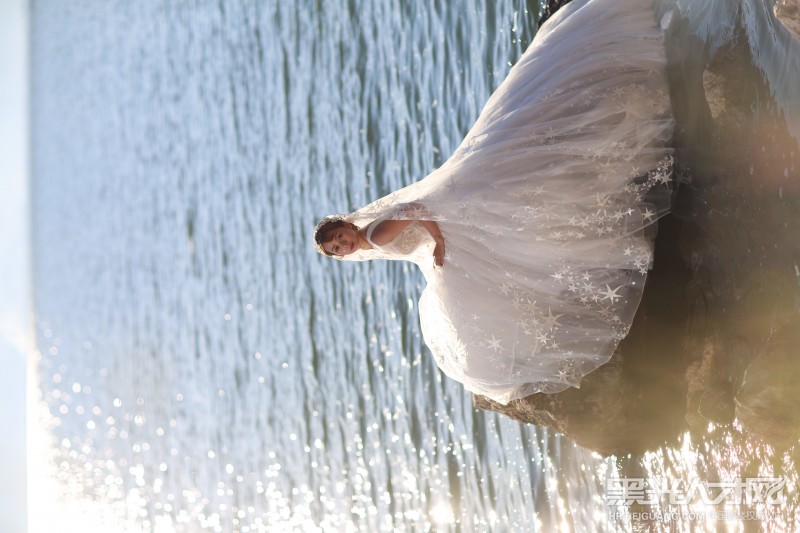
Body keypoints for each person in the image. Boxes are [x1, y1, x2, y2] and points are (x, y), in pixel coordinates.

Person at [314, 0, 675, 405]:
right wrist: (437, 244)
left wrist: (442, 243)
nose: (343, 245)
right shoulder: (371, 236)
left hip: (455, 213)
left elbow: (415, 210)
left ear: (345, 225)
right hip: (454, 206)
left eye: (338, 237)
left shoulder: (377, 238)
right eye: (337, 250)